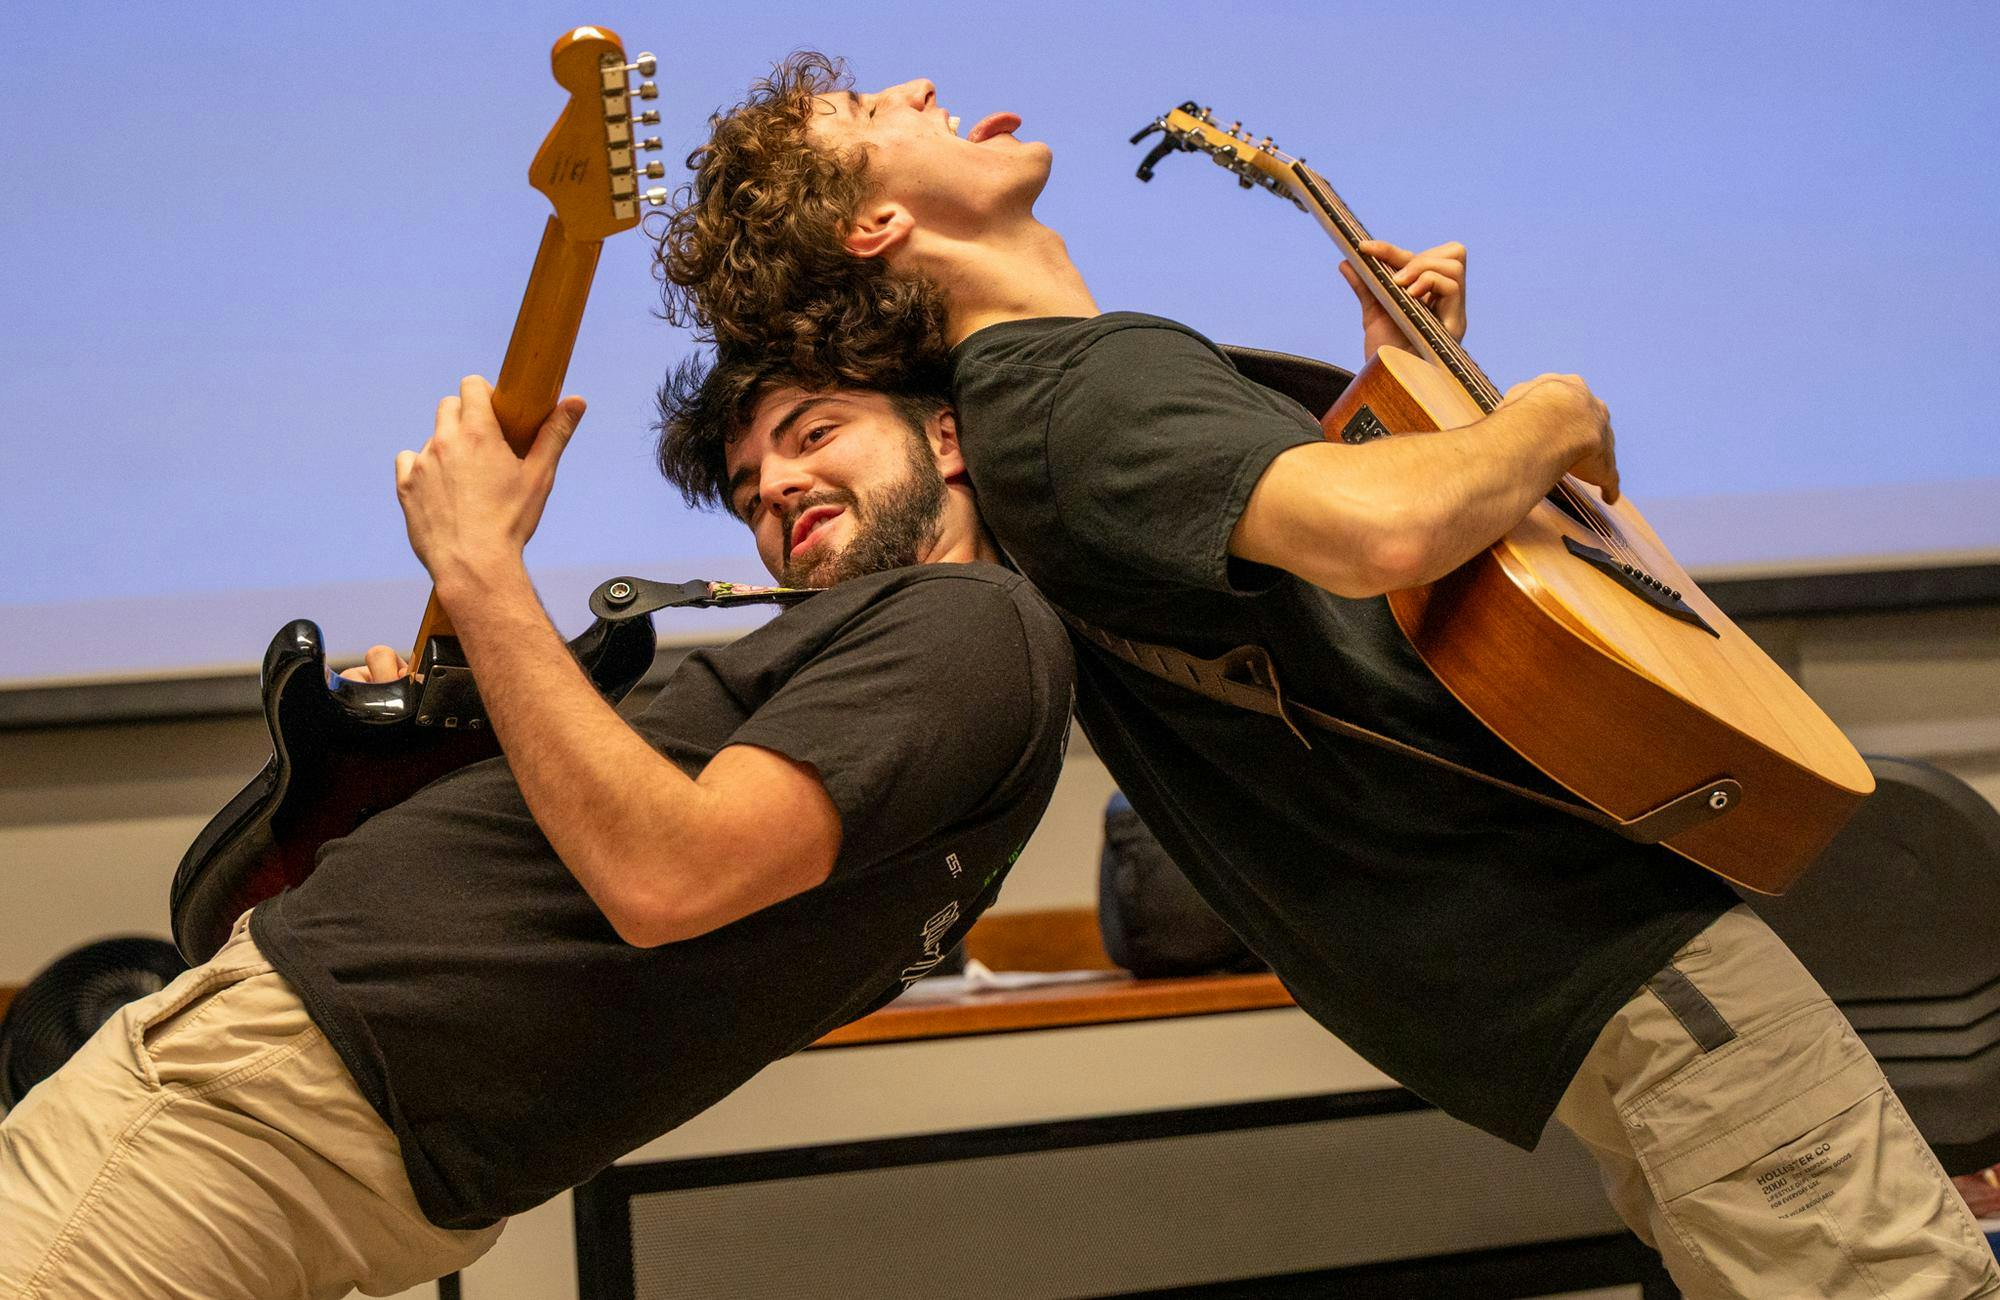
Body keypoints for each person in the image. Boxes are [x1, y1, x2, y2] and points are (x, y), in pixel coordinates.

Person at [657, 53, 2000, 1298]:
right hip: (1615, 942)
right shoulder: (1070, 397)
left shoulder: (1047, 404)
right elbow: (1383, 535)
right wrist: (1548, 413)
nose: (923, 85)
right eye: (877, 114)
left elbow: (1338, 611)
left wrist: (1406, 401)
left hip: (1589, 966)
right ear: (876, 227)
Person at [0, 363, 1073, 1299]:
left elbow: (666, 873)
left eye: (815, 432)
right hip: (309, 1123)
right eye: (749, 488)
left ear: (943, 438)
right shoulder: (929, 670)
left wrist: (478, 563)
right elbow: (625, 863)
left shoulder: (965, 620)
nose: (776, 487)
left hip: (263, 1112)